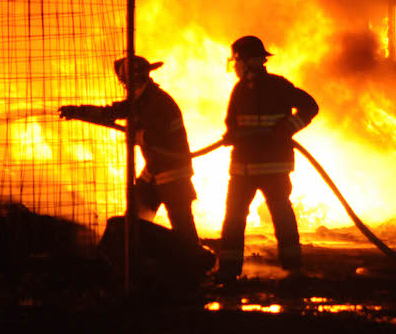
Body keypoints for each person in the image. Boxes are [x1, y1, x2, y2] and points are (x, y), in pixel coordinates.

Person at [59, 55, 201, 252]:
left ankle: (194, 267)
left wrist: (140, 135)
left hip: (173, 175)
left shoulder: (157, 102)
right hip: (154, 170)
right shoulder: (141, 99)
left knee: (182, 227)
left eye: (124, 80)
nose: (124, 85)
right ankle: (128, 259)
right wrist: (77, 111)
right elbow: (110, 113)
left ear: (131, 79)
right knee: (135, 217)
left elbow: (158, 134)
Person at [216, 35, 319, 283]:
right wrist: (231, 135)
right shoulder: (239, 90)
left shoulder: (278, 86)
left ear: (250, 62)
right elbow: (232, 121)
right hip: (243, 169)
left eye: (238, 61)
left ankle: (293, 270)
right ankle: (229, 270)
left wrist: (289, 126)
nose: (236, 67)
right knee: (233, 218)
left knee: (281, 216)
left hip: (273, 168)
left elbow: (310, 106)